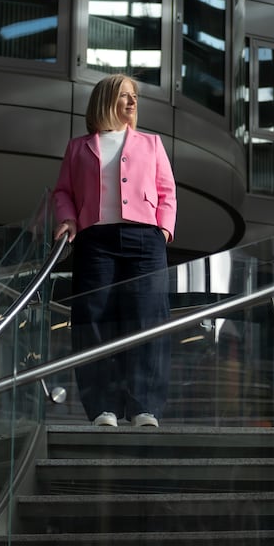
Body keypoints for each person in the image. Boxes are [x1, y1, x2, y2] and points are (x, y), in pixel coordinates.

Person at [52, 73, 177, 428]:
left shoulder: (151, 144)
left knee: (147, 319)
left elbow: (167, 190)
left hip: (145, 240)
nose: (133, 101)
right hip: (95, 241)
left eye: (135, 95)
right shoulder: (78, 147)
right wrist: (68, 220)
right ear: (107, 100)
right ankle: (102, 407)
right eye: (125, 95)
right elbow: (63, 192)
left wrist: (164, 228)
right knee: (94, 319)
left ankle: (145, 408)